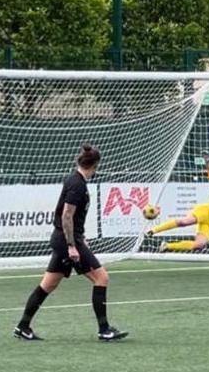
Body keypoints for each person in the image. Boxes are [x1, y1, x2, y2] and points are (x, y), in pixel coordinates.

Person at [14, 144, 128, 343]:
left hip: (66, 239)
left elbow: (71, 219)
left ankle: (23, 326)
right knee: (102, 278)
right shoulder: (77, 184)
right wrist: (72, 245)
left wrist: (79, 239)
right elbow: (67, 215)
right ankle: (104, 329)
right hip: (66, 241)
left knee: (48, 284)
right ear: (95, 166)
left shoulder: (73, 179)